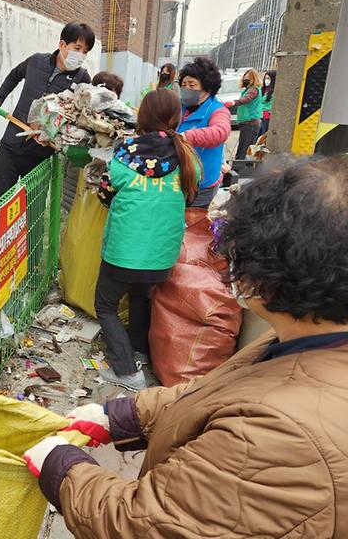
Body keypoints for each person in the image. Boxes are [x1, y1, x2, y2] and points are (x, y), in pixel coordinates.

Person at [24, 155, 348, 538]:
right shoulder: (307, 340)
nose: (227, 263)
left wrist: (62, 467)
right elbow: (220, 394)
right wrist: (122, 415)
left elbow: (146, 526)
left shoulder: (281, 438)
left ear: (276, 274)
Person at [93, 89, 200, 391]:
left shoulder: (125, 153)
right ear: (176, 118)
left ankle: (127, 372)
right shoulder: (185, 155)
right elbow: (193, 195)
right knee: (140, 295)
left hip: (124, 253)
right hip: (163, 258)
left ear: (142, 116)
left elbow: (104, 194)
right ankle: (138, 350)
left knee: (105, 305)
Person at [0, 22, 95, 203]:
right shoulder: (36, 61)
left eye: (85, 51)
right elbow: (14, 75)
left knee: (33, 210)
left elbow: (82, 115)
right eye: (77, 48)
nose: (81, 55)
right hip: (11, 144)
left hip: (40, 153)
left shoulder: (82, 79)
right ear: (62, 45)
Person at [177, 57, 230, 208]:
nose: (186, 89)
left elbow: (220, 132)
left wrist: (186, 136)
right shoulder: (180, 107)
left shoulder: (217, 110)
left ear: (207, 88)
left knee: (192, 224)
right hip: (178, 179)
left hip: (202, 183)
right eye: (184, 85)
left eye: (192, 85)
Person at [224, 68, 262, 160]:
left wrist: (232, 102)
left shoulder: (253, 90)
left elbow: (246, 99)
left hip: (250, 123)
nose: (245, 79)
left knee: (244, 150)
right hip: (247, 123)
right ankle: (240, 168)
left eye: (248, 77)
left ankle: (240, 169)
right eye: (245, 77)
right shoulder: (248, 90)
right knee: (244, 148)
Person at [259, 69, 276, 137]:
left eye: (269, 78)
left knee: (264, 136)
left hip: (267, 117)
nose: (267, 80)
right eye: (265, 78)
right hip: (260, 116)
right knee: (258, 136)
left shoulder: (274, 91)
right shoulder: (262, 89)